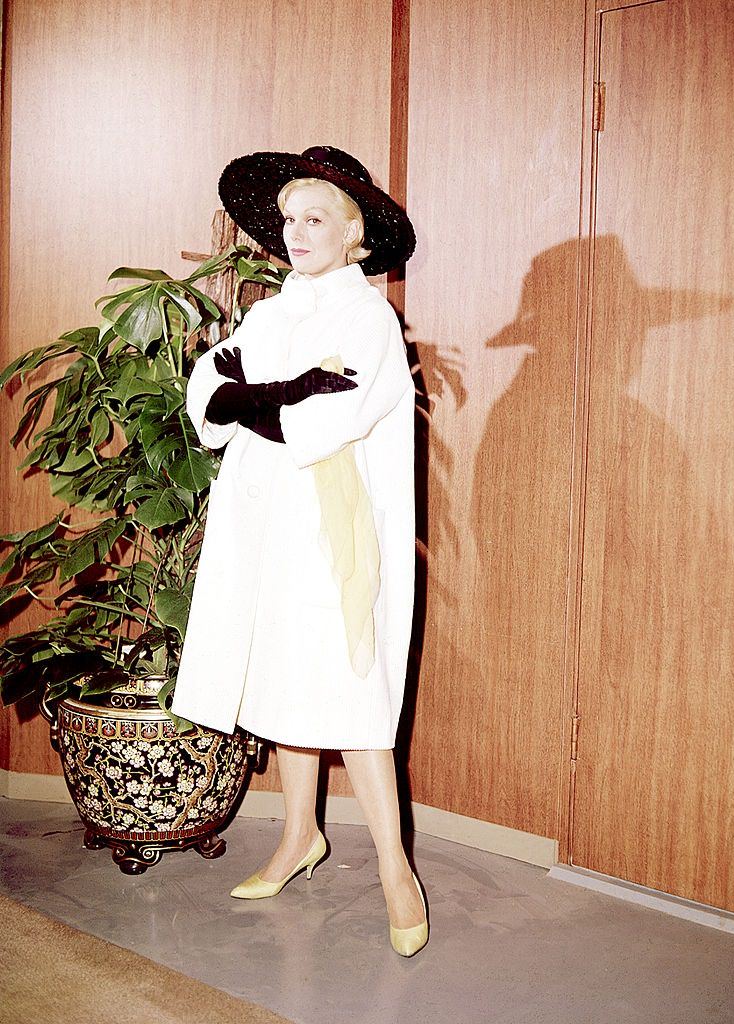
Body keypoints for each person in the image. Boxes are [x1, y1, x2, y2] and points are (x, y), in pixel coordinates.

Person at [171, 146, 426, 957]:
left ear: (356, 236)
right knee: (284, 680)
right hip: (266, 529)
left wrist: (257, 395)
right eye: (288, 220)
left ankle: (395, 868)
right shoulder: (269, 314)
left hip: (331, 533)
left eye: (315, 218)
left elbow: (325, 414)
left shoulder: (369, 317)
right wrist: (269, 392)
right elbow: (206, 393)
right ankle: (298, 838)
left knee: (351, 693)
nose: (296, 232)